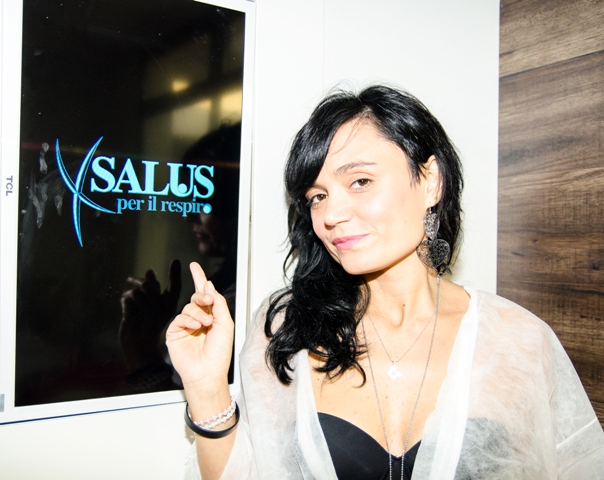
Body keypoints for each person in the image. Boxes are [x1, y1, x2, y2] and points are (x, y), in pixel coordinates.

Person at [166, 85, 604, 479]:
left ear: (431, 181)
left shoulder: (518, 340)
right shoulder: (287, 327)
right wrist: (206, 387)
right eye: (318, 196)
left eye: (360, 181)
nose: (332, 214)